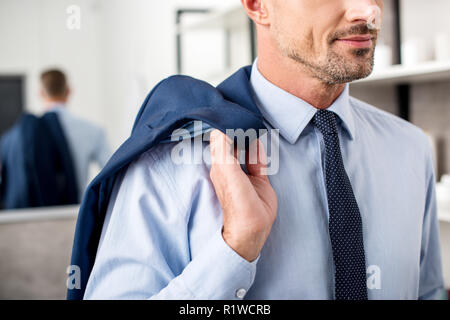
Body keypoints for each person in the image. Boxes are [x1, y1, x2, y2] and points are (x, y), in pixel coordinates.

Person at [82, 0, 443, 299]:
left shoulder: (410, 148)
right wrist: (234, 251)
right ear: (257, 5)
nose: (368, 12)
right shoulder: (170, 159)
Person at [40, 69, 111, 200]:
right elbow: (111, 172)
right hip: (76, 212)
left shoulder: (26, 136)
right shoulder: (93, 130)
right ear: (68, 91)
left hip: (34, 215)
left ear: (41, 93)